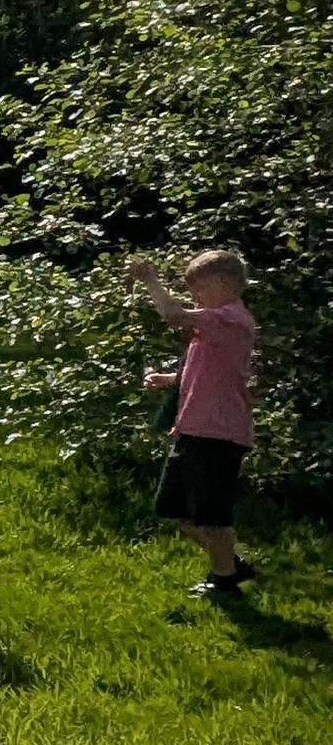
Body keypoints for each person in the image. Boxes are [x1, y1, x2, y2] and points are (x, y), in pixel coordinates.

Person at [132, 245, 259, 596]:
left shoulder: (231, 320)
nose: (196, 298)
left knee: (211, 514)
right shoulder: (216, 324)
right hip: (192, 429)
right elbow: (210, 371)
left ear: (223, 282)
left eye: (200, 289)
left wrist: (151, 280)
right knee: (177, 511)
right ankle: (230, 563)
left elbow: (173, 314)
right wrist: (169, 379)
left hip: (219, 433)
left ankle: (224, 579)